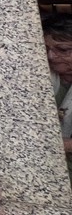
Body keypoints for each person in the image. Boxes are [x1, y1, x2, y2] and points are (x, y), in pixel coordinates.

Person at [41, 14, 72, 164]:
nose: (51, 56)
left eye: (63, 49)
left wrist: (60, 145)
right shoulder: (39, 76)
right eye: (45, 48)